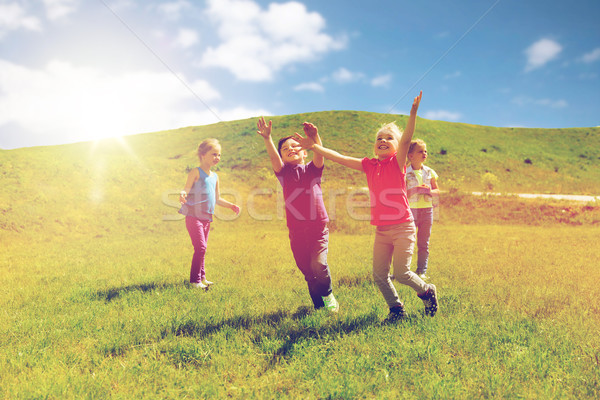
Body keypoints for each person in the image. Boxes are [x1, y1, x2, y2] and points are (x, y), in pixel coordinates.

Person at [294, 91, 438, 320]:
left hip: (403, 227)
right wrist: (314, 146)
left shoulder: (397, 162)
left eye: (389, 138)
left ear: (398, 146)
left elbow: (408, 137)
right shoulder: (369, 165)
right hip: (382, 230)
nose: (382, 140)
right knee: (379, 275)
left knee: (401, 273)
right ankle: (396, 309)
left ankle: (427, 291)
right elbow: (338, 157)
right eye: (379, 137)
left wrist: (412, 114)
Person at [256, 117, 339, 312]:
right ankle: (319, 308)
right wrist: (268, 139)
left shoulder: (312, 170)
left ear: (304, 152)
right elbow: (273, 159)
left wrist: (315, 138)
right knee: (308, 272)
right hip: (296, 231)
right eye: (285, 149)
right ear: (282, 156)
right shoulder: (283, 173)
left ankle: (328, 296)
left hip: (318, 228)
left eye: (295, 146)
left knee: (319, 265)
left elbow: (319, 155)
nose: (291, 149)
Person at [179, 138, 240, 289]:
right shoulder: (196, 172)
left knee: (203, 248)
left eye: (219, 155)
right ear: (202, 155)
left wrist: (231, 205)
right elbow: (186, 188)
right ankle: (195, 281)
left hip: (207, 218)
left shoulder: (215, 177)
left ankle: (203, 277)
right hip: (194, 216)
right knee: (200, 248)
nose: (217, 158)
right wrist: (182, 193)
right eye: (214, 154)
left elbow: (217, 198)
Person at [406, 139, 439, 280]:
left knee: (423, 243)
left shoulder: (430, 172)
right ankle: (403, 271)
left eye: (425, 151)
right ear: (411, 155)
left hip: (427, 211)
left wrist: (429, 191)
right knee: (407, 242)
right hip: (410, 211)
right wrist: (415, 190)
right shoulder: (405, 173)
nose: (424, 153)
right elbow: (402, 194)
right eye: (420, 151)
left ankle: (421, 271)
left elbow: (438, 191)